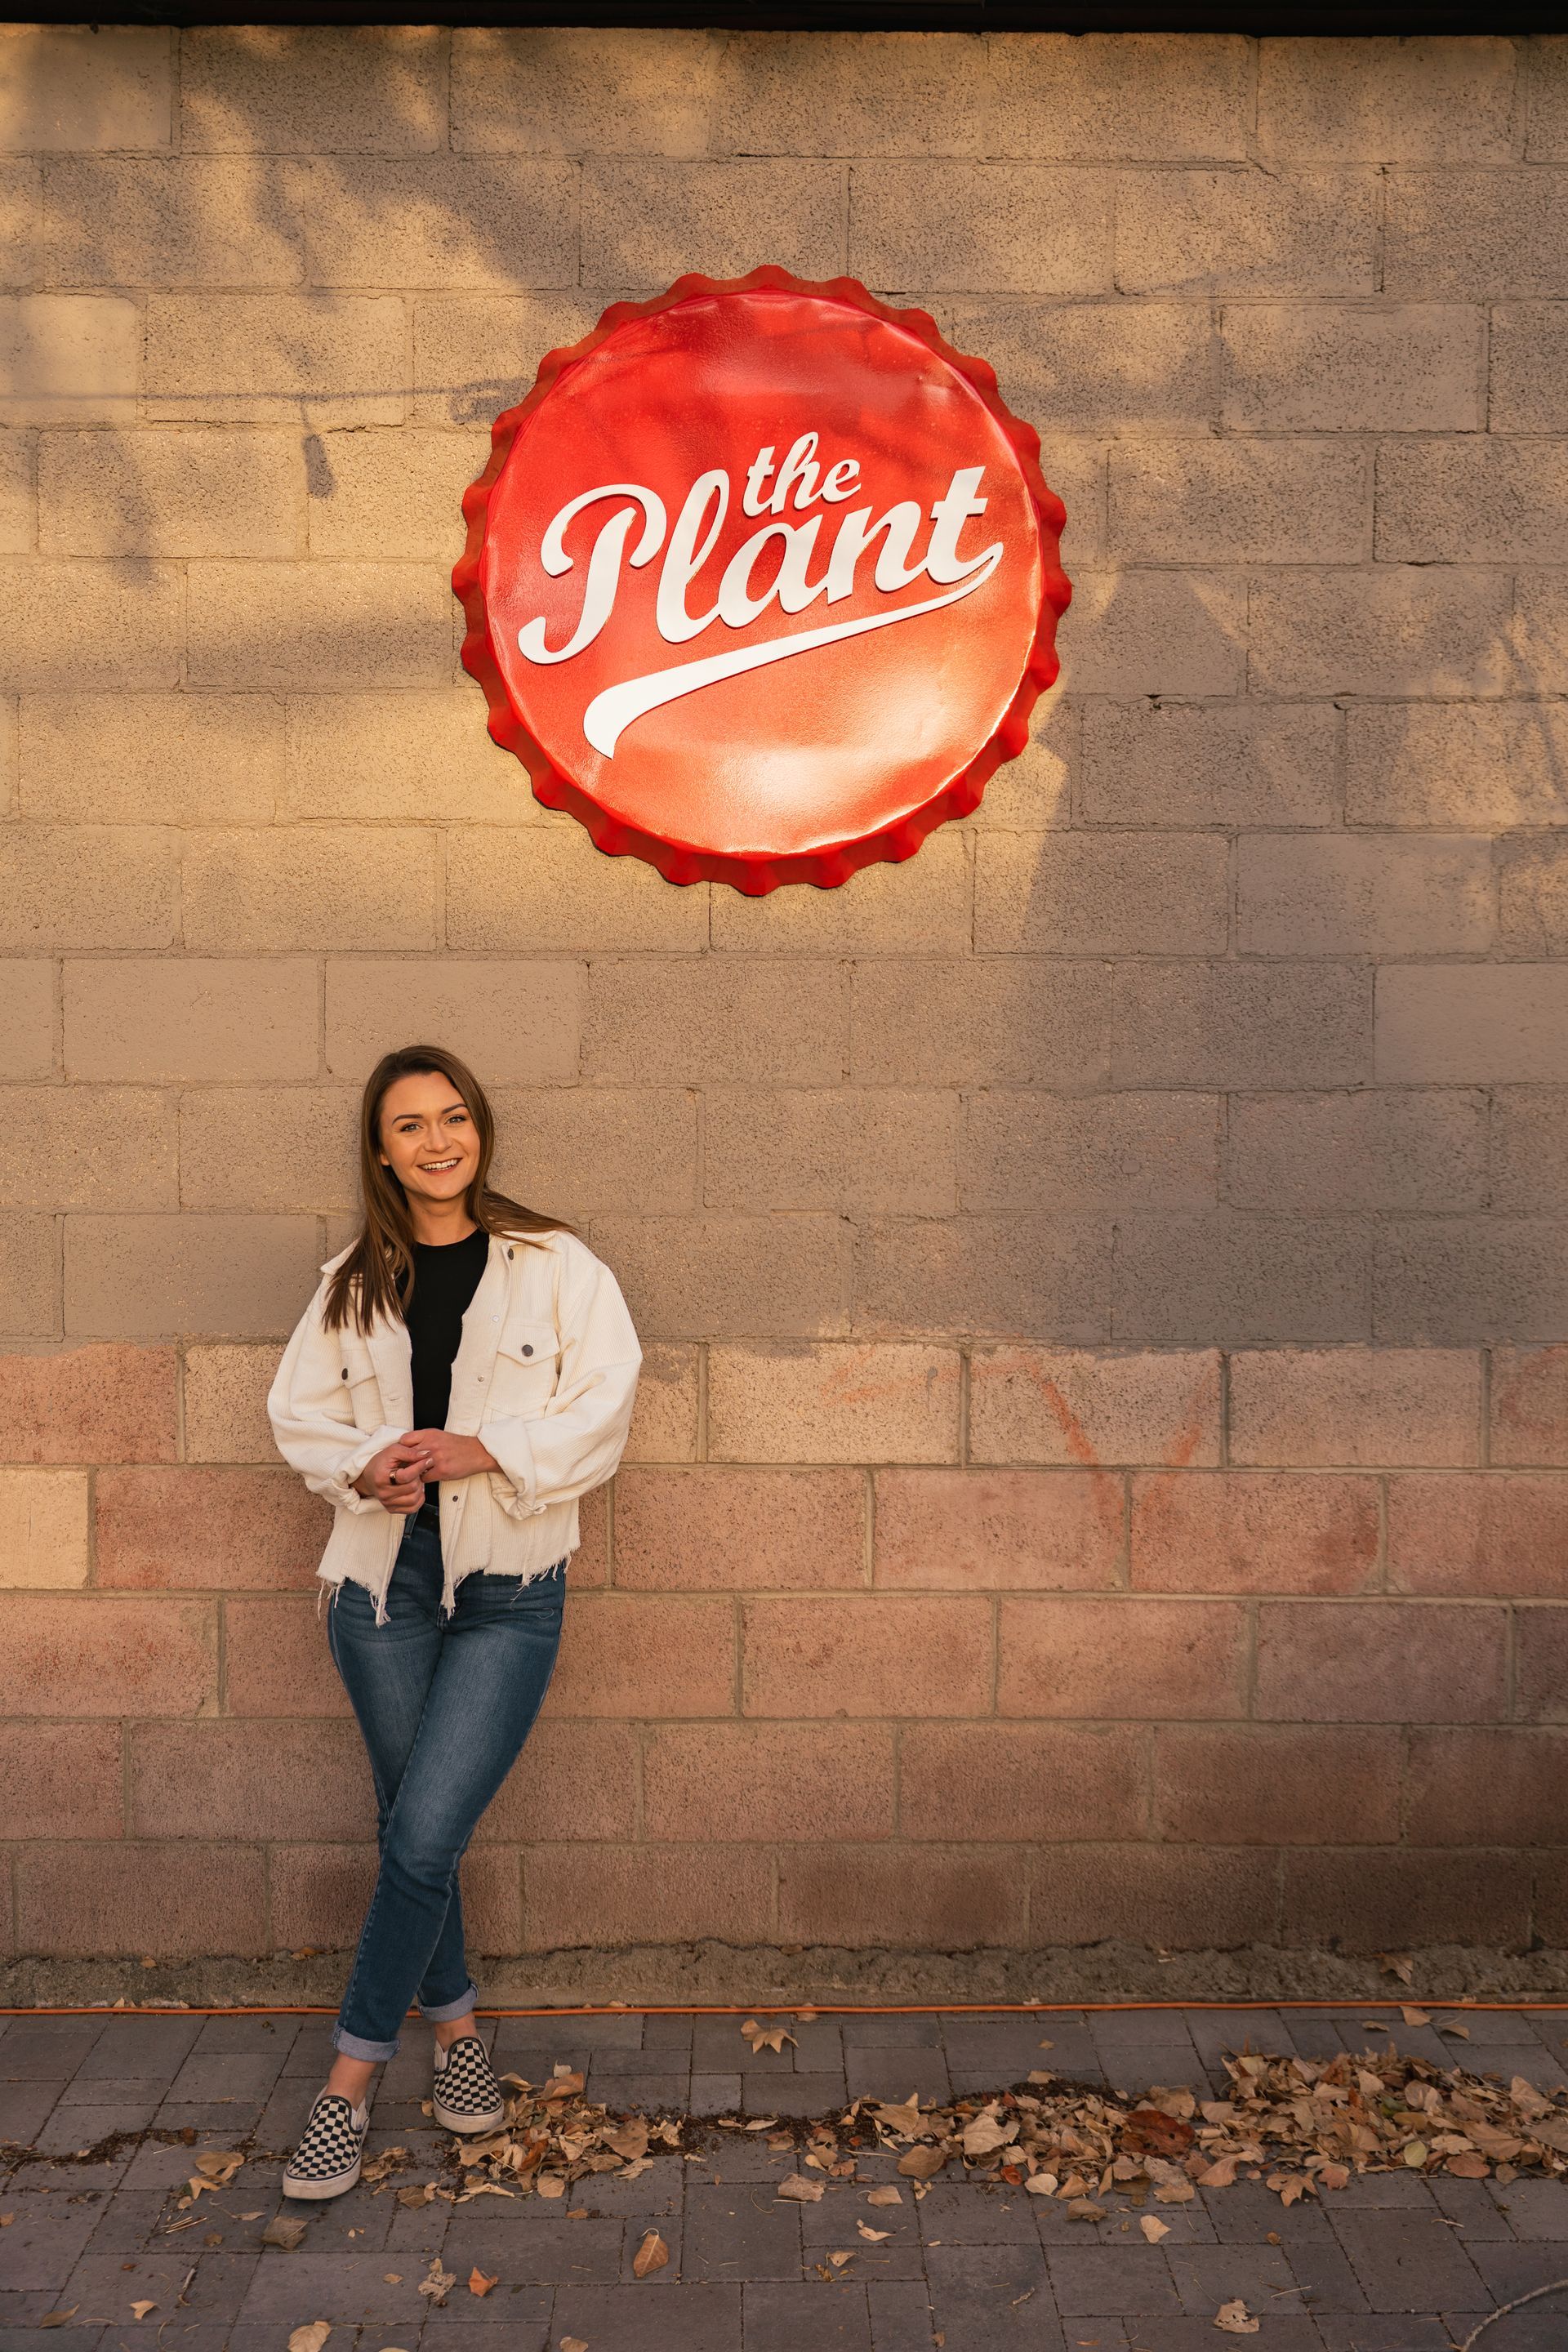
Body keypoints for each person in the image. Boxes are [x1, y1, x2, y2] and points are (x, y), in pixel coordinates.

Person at [265, 1043, 641, 2199]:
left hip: (510, 1588)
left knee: (421, 1834)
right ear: (382, 1151)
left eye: (455, 1117)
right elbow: (297, 1414)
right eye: (412, 1126)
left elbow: (608, 1401)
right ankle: (460, 2033)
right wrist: (363, 1471)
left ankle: (347, 2080)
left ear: (480, 1129)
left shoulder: (556, 1266)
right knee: (414, 1831)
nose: (439, 1140)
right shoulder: (351, 1281)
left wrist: (488, 1448)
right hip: (383, 1589)